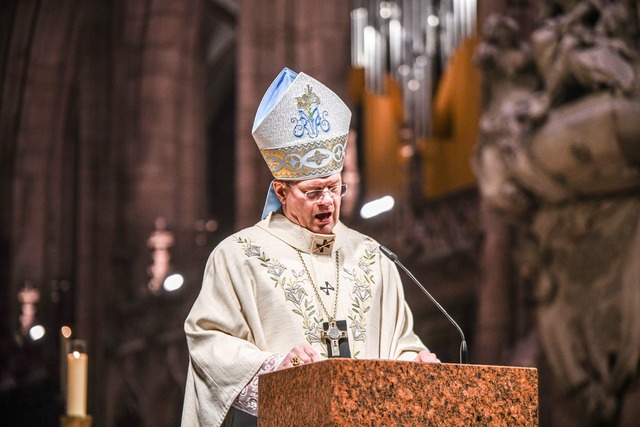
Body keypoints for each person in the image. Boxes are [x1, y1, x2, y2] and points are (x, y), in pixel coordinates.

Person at [181, 68, 439, 427]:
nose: (327, 202)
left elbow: (399, 342)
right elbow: (209, 342)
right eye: (313, 192)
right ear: (281, 191)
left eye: (335, 188)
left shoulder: (373, 256)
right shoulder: (238, 255)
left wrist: (416, 363)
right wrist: (272, 370)